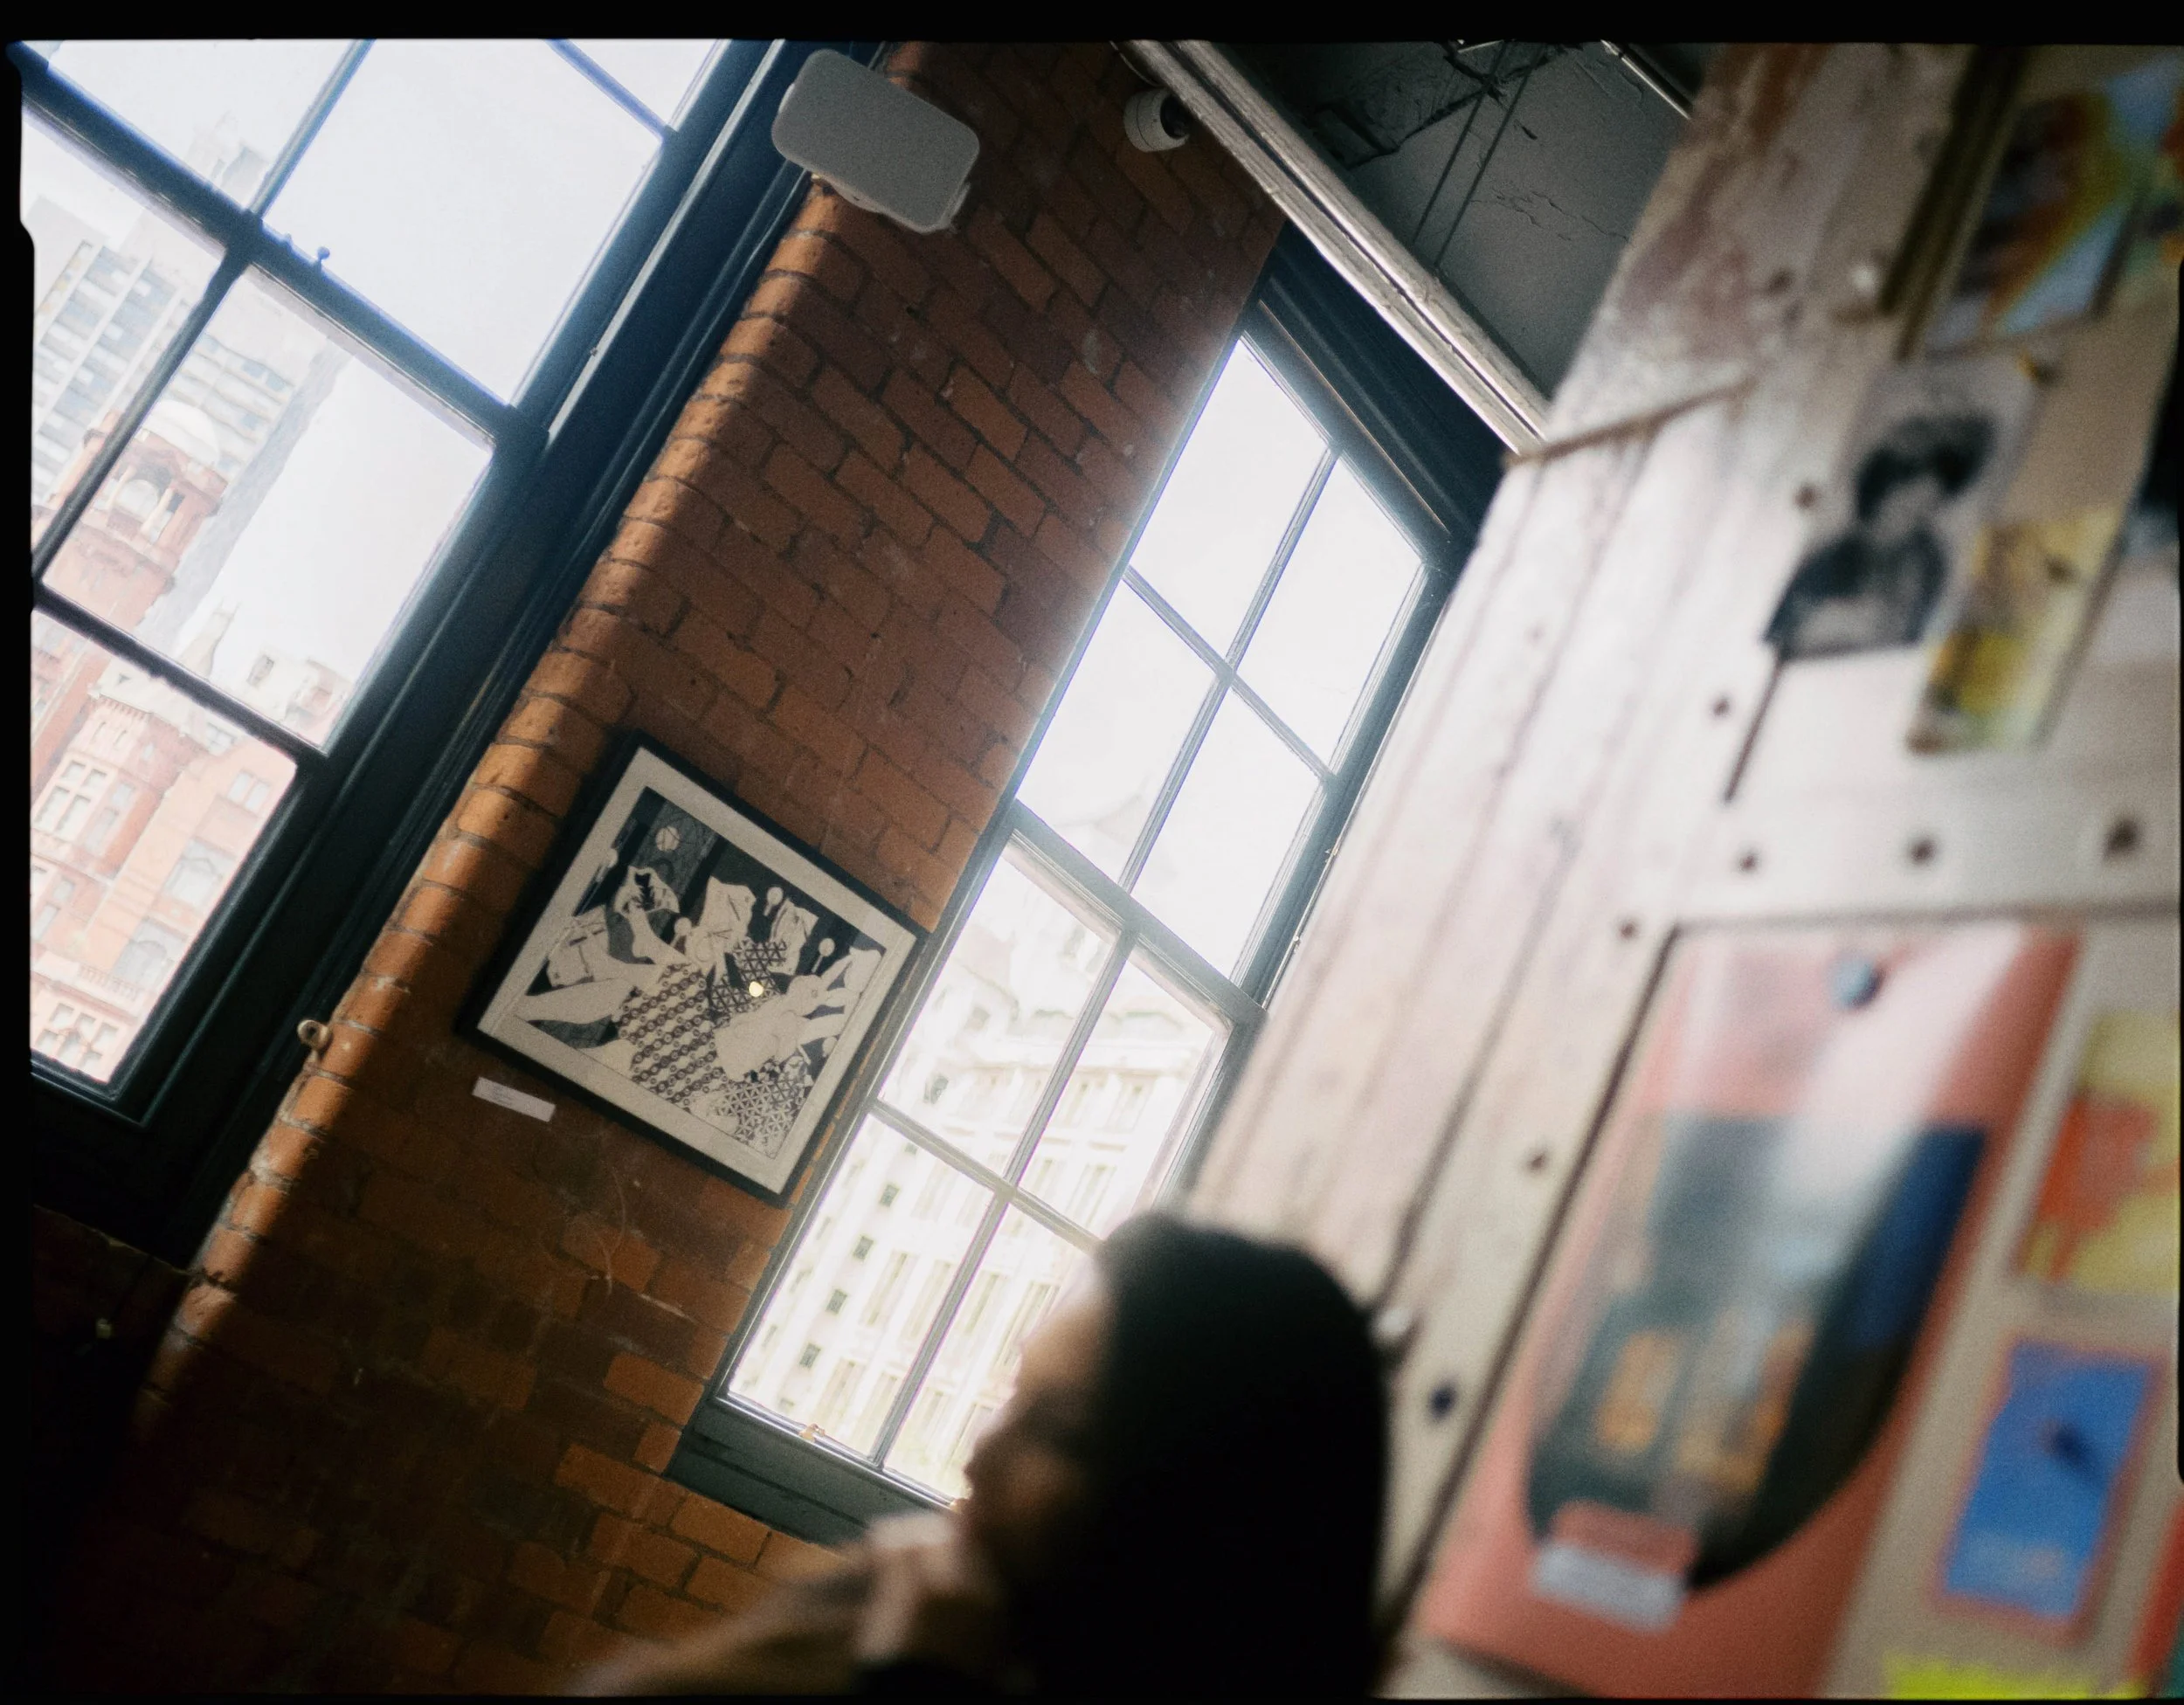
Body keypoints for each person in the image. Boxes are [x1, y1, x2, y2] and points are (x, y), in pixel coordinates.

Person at [578, 1214, 1389, 1694]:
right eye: (1014, 1395)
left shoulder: (919, 1651)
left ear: (1208, 1515)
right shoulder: (878, 1606)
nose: (979, 1454)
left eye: (1063, 1432)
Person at [1765, 412, 1995, 659]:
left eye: (1925, 511)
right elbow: (1784, 637)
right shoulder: (1826, 562)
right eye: (1904, 508)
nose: (1910, 525)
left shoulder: (1928, 560)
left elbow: (1915, 635)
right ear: (1879, 496)